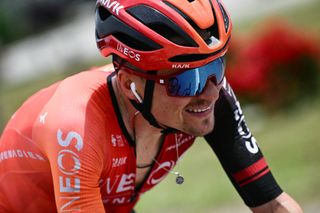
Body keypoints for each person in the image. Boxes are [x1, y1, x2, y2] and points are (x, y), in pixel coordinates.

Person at [0, 0, 303, 212]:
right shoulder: (76, 125)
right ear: (131, 82)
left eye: (216, 68)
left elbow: (273, 205)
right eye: (189, 80)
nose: (211, 92)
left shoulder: (213, 97)